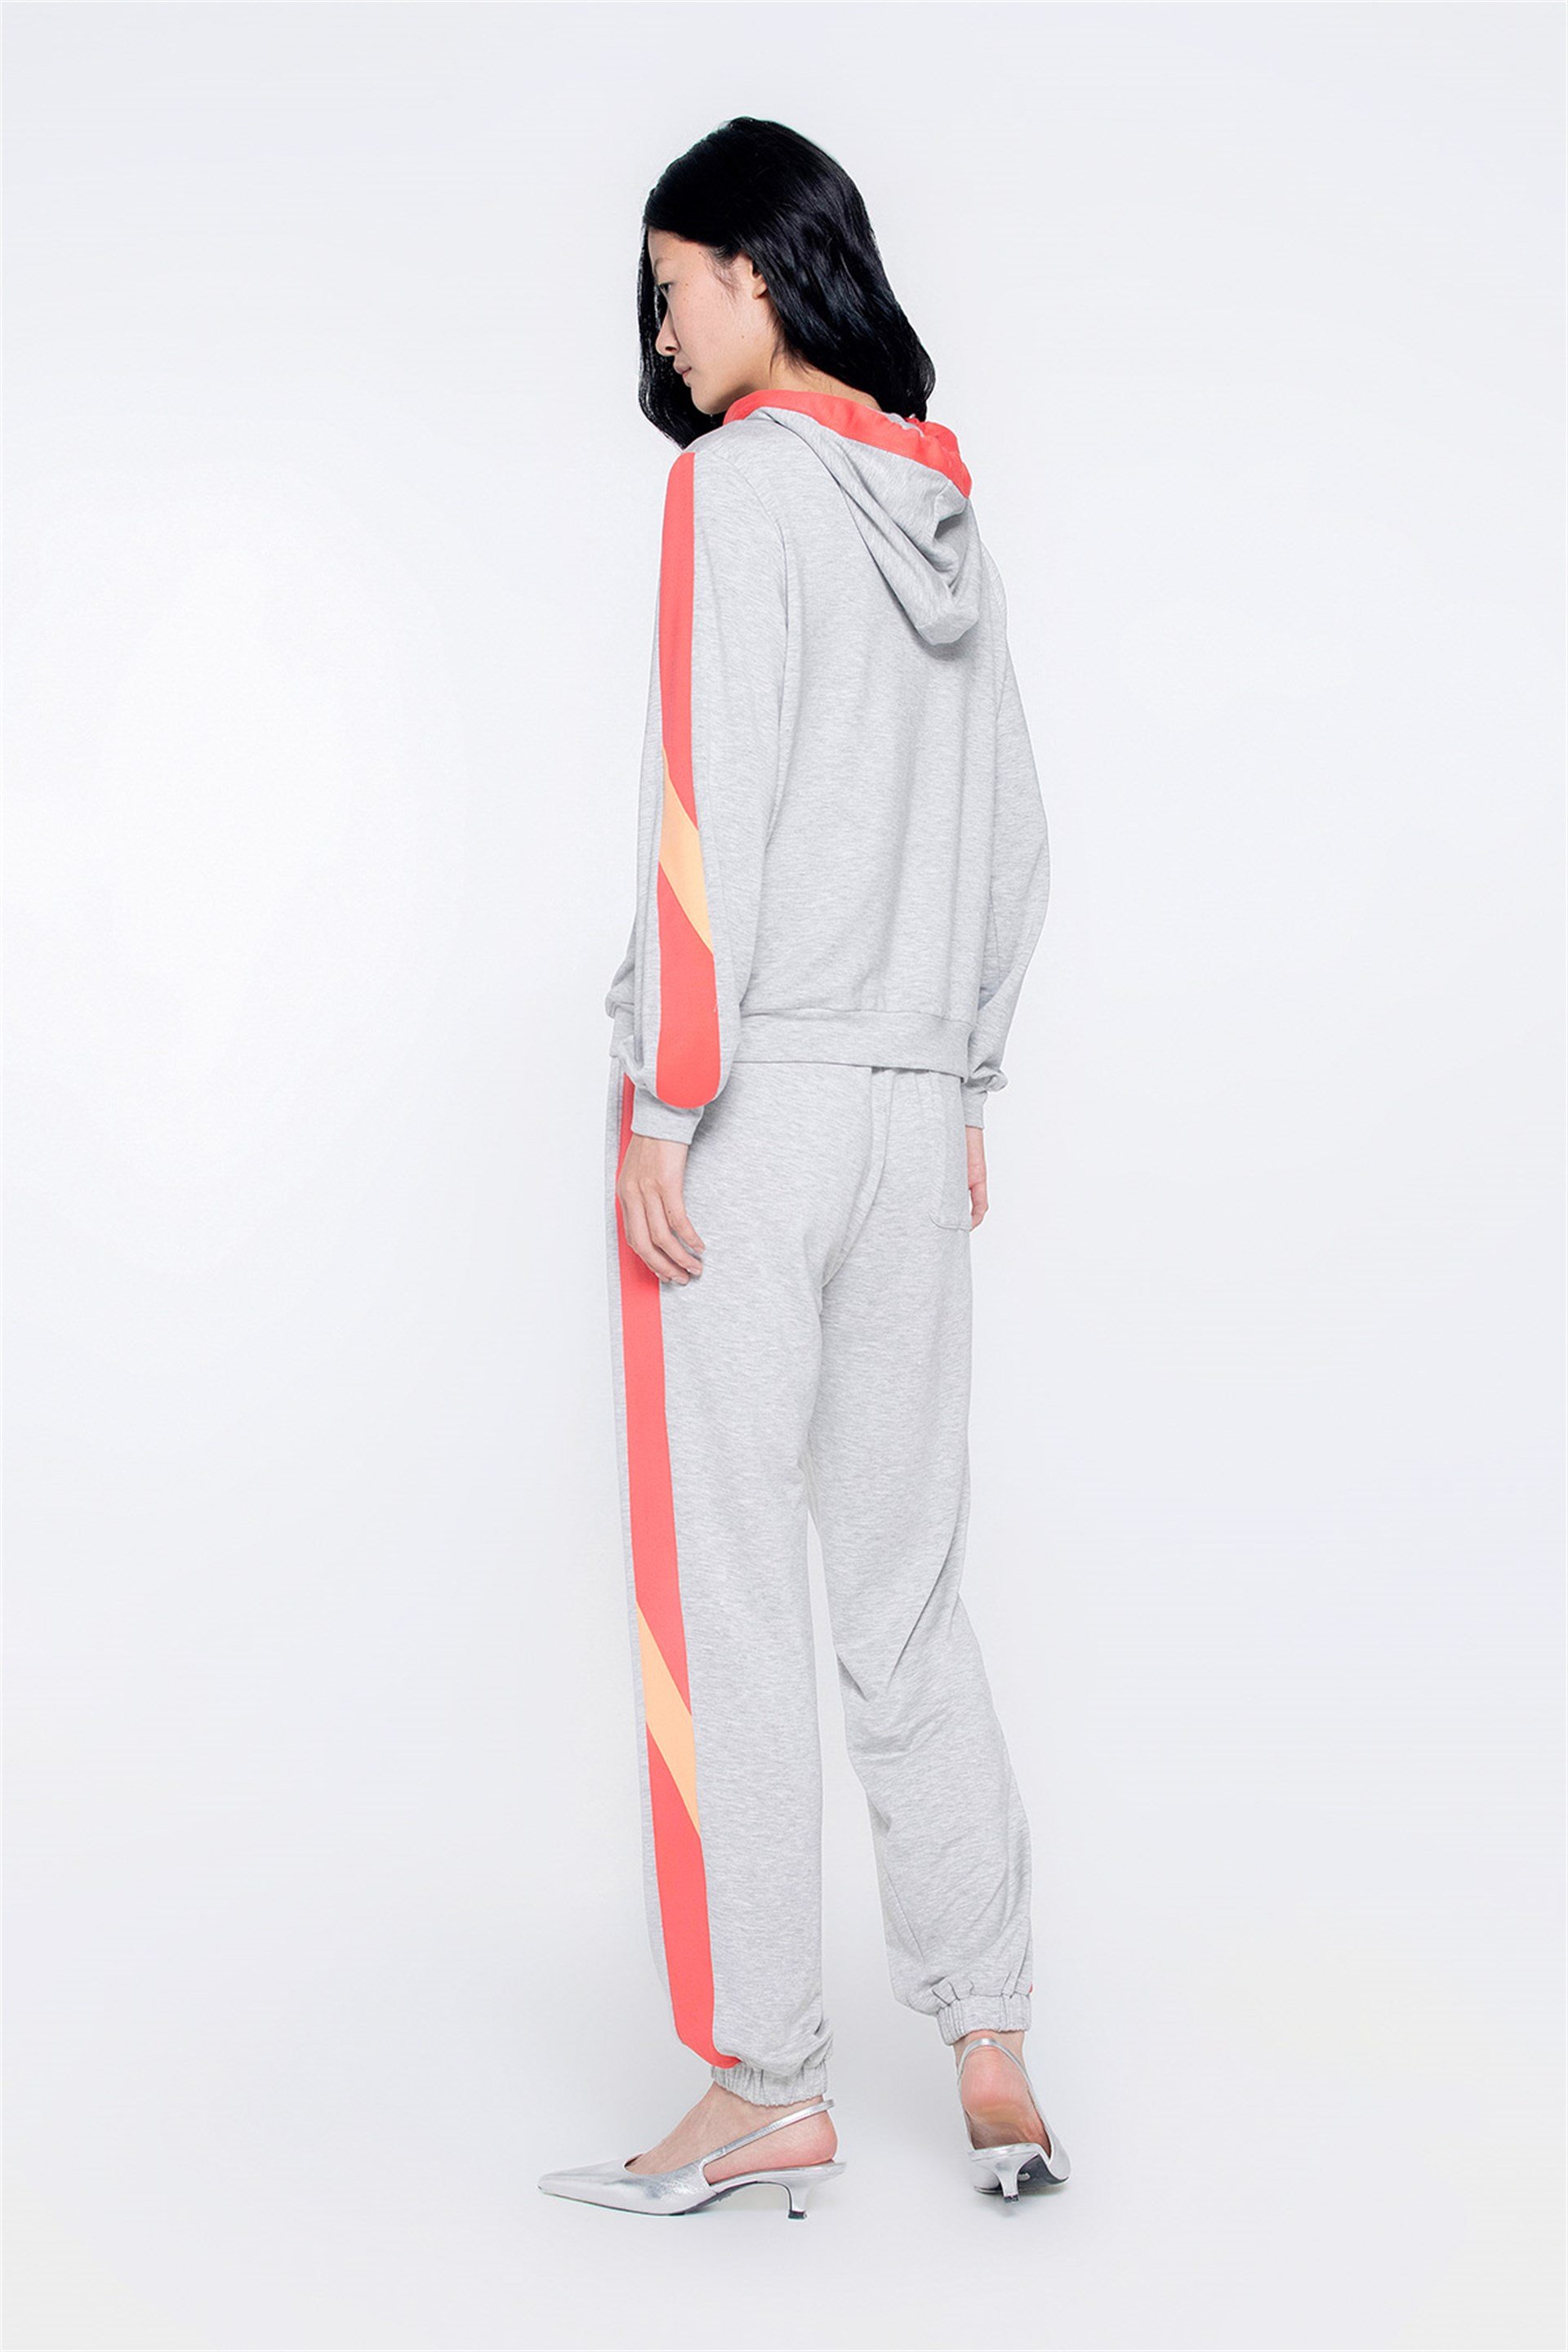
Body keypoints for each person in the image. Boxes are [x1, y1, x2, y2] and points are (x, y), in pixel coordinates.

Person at [539, 117, 1069, 2218]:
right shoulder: (949, 516)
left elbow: (707, 812)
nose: (661, 332)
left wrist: (668, 1100)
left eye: (674, 286)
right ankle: (993, 2043)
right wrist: (960, 1083)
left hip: (750, 1113)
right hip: (913, 1116)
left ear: (761, 271)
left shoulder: (737, 489)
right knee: (905, 1586)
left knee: (733, 1593)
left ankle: (766, 2078)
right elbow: (1014, 836)